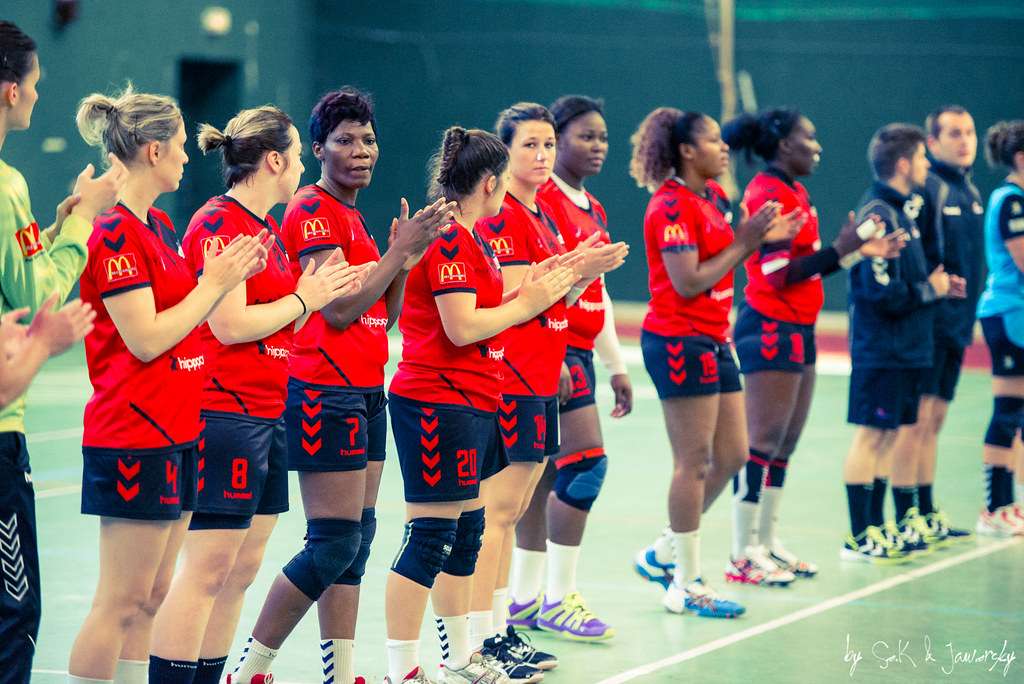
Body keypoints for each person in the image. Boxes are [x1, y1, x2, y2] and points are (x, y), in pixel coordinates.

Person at [229, 87, 453, 684]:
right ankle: (249, 668)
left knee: (358, 539)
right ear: (320, 149)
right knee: (331, 542)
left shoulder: (356, 218)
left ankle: (342, 671)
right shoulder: (312, 209)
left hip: (364, 389)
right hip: (322, 390)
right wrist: (398, 250)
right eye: (345, 140)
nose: (362, 150)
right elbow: (338, 309)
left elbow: (384, 313)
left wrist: (403, 263)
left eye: (369, 139)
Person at [147, 107, 362, 684]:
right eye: (296, 155)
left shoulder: (264, 229)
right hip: (223, 411)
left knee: (240, 569)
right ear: (276, 160)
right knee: (208, 569)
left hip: (269, 409)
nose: (300, 169)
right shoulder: (219, 224)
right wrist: (306, 299)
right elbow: (230, 325)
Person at [68, 87, 267, 684]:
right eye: (180, 146)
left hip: (179, 428)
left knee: (153, 595)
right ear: (154, 151)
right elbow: (146, 339)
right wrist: (214, 286)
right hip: (134, 432)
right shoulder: (113, 233)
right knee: (119, 600)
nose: (187, 156)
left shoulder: (156, 224)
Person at [384, 125, 577, 684]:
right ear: (490, 182)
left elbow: (488, 309)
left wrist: (542, 285)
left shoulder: (474, 238)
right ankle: (403, 670)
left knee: (466, 534)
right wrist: (529, 304)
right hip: (434, 401)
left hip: (473, 400)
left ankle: (461, 658)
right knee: (429, 539)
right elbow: (462, 325)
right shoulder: (448, 237)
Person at [720, 108, 903, 585]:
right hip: (769, 326)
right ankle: (742, 552)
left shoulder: (794, 191)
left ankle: (766, 542)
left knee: (785, 443)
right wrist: (843, 249)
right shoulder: (767, 193)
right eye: (810, 138)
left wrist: (856, 251)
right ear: (784, 146)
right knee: (761, 441)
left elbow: (807, 264)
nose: (817, 148)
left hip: (799, 326)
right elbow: (775, 275)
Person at [0, 20, 126, 680]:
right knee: (13, 612)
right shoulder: (5, 185)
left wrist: (53, 227)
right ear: (10, 90)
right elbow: (34, 293)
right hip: (1, 425)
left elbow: (15, 266)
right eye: (36, 85)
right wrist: (82, 225)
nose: (40, 96)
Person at [628, 107, 782, 617]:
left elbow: (729, 254)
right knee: (692, 464)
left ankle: (662, 553)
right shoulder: (669, 206)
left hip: (715, 339)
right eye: (714, 140)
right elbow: (688, 281)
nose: (723, 148)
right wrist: (745, 242)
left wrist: (755, 237)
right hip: (679, 341)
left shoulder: (714, 196)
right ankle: (685, 583)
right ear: (687, 152)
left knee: (734, 454)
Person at [509, 95, 630, 642]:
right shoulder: (543, 201)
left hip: (576, 351)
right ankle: (556, 599)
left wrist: (618, 365)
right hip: (550, 352)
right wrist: (552, 355)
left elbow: (594, 295)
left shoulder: (593, 207)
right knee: (586, 467)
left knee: (546, 478)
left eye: (603, 137)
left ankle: (524, 600)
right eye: (584, 136)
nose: (597, 145)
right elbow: (537, 285)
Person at [841, 123, 966, 563]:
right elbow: (880, 294)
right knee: (871, 436)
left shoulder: (903, 212)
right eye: (921, 158)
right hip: (883, 349)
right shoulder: (876, 216)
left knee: (889, 437)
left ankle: (878, 526)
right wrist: (929, 289)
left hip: (909, 348)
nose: (927, 166)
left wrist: (932, 286)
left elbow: (907, 282)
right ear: (902, 164)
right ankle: (859, 534)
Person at [887, 105, 984, 544]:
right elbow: (911, 252)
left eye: (969, 133)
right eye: (954, 133)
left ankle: (926, 509)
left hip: (957, 326)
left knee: (937, 420)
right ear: (933, 141)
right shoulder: (928, 190)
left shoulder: (971, 192)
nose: (965, 141)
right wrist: (932, 289)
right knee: (917, 420)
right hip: (928, 324)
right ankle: (906, 513)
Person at [975, 119, 1024, 535]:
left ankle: (1011, 503)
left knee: (1019, 412)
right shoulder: (1011, 201)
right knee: (1008, 410)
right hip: (1007, 313)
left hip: (1018, 314)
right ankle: (994, 508)